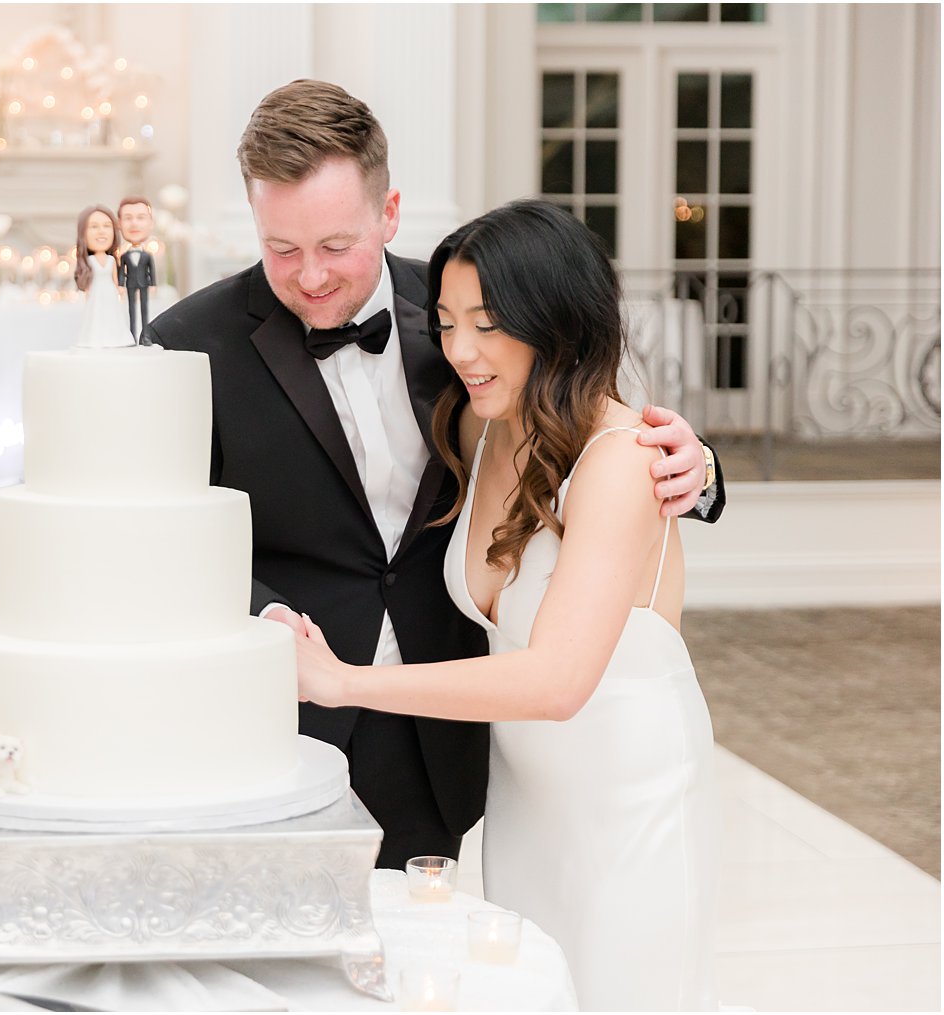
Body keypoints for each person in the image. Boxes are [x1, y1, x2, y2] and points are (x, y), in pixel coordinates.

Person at [143, 79, 725, 870]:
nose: (310, 276)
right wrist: (269, 618)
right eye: (282, 249)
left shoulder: (469, 316)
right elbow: (171, 534)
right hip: (279, 717)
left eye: (335, 246)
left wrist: (701, 467)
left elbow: (584, 424)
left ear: (388, 214)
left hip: (438, 734)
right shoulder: (186, 344)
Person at [294, 199, 717, 1010]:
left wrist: (344, 680)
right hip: (527, 794)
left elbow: (556, 681)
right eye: (447, 323)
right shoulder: (484, 424)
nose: (459, 350)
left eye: (487, 325)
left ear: (555, 320)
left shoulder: (626, 459)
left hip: (630, 795)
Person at [73, 205, 132, 348]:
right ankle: (96, 338)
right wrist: (86, 293)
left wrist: (119, 288)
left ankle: (116, 337)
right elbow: (87, 282)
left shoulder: (111, 260)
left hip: (110, 292)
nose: (101, 231)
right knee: (97, 314)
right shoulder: (90, 261)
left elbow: (115, 278)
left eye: (107, 226)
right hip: (96, 292)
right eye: (93, 226)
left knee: (112, 314)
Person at [116, 195, 158, 340]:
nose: (134, 223)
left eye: (140, 217)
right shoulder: (124, 256)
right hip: (130, 285)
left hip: (144, 284)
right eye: (128, 218)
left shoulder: (147, 255)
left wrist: (153, 284)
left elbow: (151, 270)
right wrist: (120, 285)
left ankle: (145, 336)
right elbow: (122, 271)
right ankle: (132, 335)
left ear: (151, 223)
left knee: (144, 310)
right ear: (119, 223)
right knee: (131, 310)